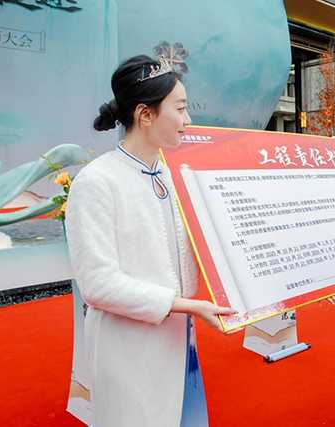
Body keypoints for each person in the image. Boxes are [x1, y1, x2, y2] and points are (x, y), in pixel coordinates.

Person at [65, 55, 235, 427]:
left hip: (180, 345)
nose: (188, 121)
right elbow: (98, 284)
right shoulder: (97, 181)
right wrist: (183, 305)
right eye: (181, 109)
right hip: (129, 351)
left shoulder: (176, 175)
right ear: (145, 114)